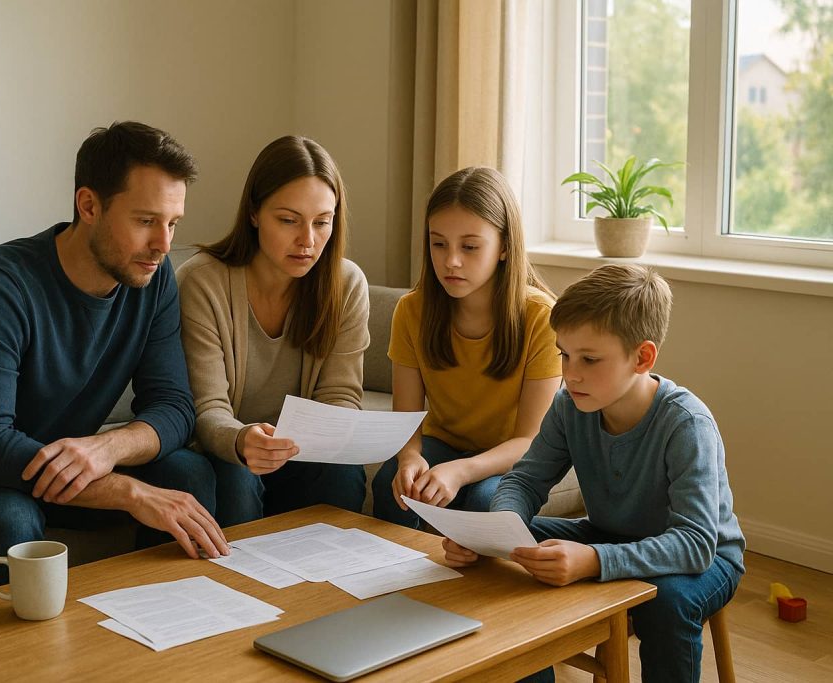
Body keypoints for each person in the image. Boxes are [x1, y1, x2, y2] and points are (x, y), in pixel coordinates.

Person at [0, 121, 228, 594]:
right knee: (11, 515)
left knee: (188, 472)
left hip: (65, 466)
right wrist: (128, 491)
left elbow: (174, 408)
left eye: (173, 223)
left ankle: (161, 637)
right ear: (88, 205)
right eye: (146, 220)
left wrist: (108, 448)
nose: (164, 245)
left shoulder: (154, 280)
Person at [443, 264, 745, 683]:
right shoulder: (571, 404)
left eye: (589, 359)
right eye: (564, 354)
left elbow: (695, 544)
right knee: (482, 504)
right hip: (609, 534)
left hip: (704, 558)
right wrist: (495, 534)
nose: (571, 373)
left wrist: (593, 560)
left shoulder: (686, 424)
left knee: (666, 600)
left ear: (642, 357)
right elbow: (526, 480)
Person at [176, 135, 369, 527]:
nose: (308, 241)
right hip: (227, 449)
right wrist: (243, 440)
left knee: (343, 473)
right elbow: (207, 408)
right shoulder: (202, 281)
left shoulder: (346, 283)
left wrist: (318, 436)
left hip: (298, 452)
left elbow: (340, 395)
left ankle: (330, 587)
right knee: (235, 476)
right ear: (253, 213)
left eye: (322, 222)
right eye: (288, 220)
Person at [372, 166, 561, 528]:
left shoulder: (540, 318)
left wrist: (461, 471)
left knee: (482, 501)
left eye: (470, 247)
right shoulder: (412, 310)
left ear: (504, 247)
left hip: (514, 456)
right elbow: (406, 421)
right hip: (443, 444)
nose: (451, 261)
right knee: (391, 486)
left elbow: (529, 441)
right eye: (438, 243)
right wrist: (410, 458)